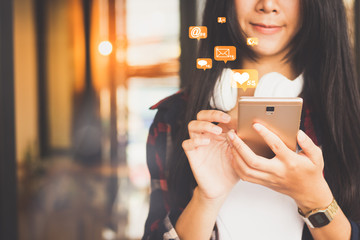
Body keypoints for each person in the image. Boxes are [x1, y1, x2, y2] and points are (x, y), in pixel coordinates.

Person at [142, 0, 360, 239]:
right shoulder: (173, 118)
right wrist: (205, 199)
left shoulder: (347, 119)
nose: (267, 5)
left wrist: (315, 199)